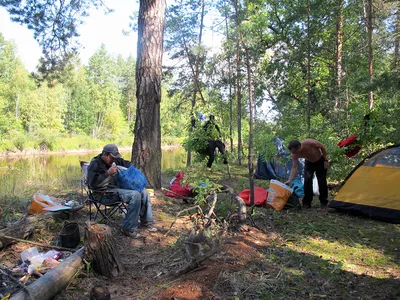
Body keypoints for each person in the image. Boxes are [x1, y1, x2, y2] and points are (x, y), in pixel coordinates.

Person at [87, 144, 156, 238]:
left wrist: (128, 171)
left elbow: (128, 164)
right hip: (104, 194)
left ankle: (147, 222)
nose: (113, 160)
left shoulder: (116, 161)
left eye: (115, 158)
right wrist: (108, 173)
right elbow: (92, 185)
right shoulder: (94, 164)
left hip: (117, 189)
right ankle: (128, 228)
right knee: (135, 195)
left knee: (144, 192)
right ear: (104, 154)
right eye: (111, 158)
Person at [284, 139, 329, 209]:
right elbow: (294, 167)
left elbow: (322, 146)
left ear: (299, 147)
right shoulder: (294, 154)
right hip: (309, 163)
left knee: (321, 181)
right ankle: (307, 203)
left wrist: (326, 160)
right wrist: (289, 180)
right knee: (307, 181)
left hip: (320, 161)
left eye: (294, 151)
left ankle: (324, 202)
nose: (294, 153)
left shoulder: (309, 143)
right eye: (292, 152)